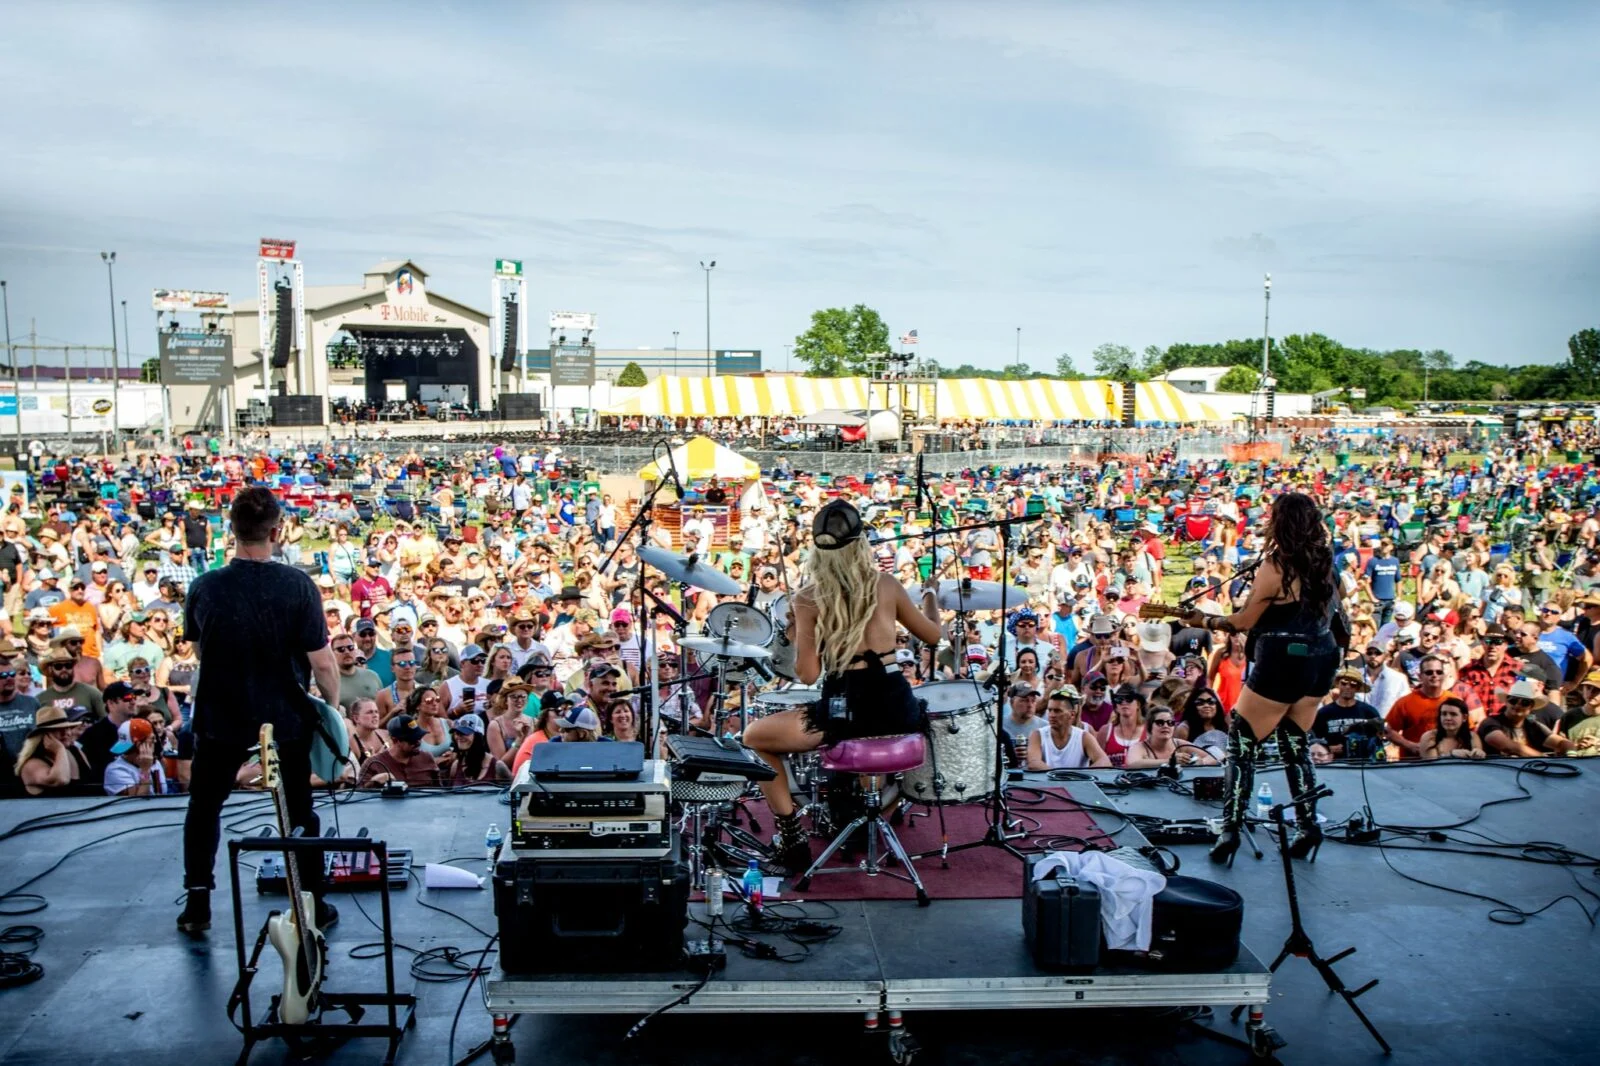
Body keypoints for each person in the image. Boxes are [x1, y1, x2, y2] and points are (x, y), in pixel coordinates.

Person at [742, 500, 942, 875]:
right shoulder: (886, 584)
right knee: (876, 734)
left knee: (754, 737)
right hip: (896, 704)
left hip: (847, 707)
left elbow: (805, 674)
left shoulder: (807, 597)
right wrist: (929, 594)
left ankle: (791, 836)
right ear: (860, 542)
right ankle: (881, 807)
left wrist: (800, 630)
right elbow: (933, 635)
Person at [178, 488, 341, 936]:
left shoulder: (204, 586)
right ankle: (312, 902)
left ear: (230, 530)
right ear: (277, 530)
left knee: (205, 807)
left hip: (219, 715)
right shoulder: (297, 585)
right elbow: (322, 662)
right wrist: (332, 709)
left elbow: (197, 646)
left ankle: (197, 902)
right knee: (299, 810)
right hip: (284, 716)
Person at [1182, 491, 1343, 865]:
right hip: (1321, 658)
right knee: (1294, 743)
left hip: (1283, 660)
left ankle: (1230, 829)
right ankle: (1307, 825)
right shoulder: (1327, 566)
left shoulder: (1276, 567)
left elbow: (1241, 623)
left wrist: (1201, 621)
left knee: (1241, 742)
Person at [1384, 652, 1454, 759]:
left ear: (1443, 675)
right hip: (1413, 763)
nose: (1434, 675)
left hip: (1446, 761)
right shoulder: (1405, 702)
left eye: (1439, 672)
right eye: (1429, 672)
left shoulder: (1454, 701)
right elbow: (1389, 730)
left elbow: (1469, 730)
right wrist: (1409, 745)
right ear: (1420, 676)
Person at [14, 706, 95, 796]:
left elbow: (92, 781)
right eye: (58, 729)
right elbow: (61, 780)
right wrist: (59, 750)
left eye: (68, 728)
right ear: (45, 735)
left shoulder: (75, 751)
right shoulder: (32, 764)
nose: (66, 733)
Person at [1026, 688, 1111, 769]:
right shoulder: (1037, 735)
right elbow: (1034, 763)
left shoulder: (1084, 737)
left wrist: (1082, 777)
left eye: (1057, 711)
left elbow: (1105, 761)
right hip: (1048, 784)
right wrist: (1060, 778)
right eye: (1050, 710)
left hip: (1076, 783)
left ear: (1072, 715)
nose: (1051, 715)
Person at [1310, 668, 1383, 762]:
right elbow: (1315, 741)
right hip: (1334, 764)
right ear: (1337, 684)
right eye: (1344, 683)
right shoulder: (1324, 713)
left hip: (1364, 763)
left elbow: (1378, 740)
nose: (1348, 687)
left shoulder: (1369, 712)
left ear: (1357, 688)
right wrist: (1329, 749)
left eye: (1353, 685)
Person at [358, 712, 442, 786]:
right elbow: (359, 795)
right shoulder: (373, 764)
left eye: (419, 737)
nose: (418, 743)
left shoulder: (427, 758)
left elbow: (440, 793)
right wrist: (374, 782)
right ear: (395, 740)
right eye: (412, 740)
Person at [1477, 679, 1553, 757]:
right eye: (1513, 701)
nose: (1517, 705)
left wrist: (1565, 748)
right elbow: (1506, 745)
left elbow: (1559, 742)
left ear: (1531, 707)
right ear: (1506, 702)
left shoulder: (1533, 725)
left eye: (1525, 703)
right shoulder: (1491, 722)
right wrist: (1542, 757)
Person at [1123, 706, 1218, 769]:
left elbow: (1214, 757)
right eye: (1160, 723)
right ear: (1150, 726)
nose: (1166, 726)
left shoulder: (1180, 744)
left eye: (1170, 723)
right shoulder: (1141, 747)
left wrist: (1199, 762)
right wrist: (1170, 761)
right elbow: (1132, 764)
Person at [103, 717, 167, 796]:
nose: (155, 741)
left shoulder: (154, 762)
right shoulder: (115, 770)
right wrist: (145, 770)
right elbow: (136, 803)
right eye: (152, 738)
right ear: (139, 744)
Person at [1419, 696, 1486, 759]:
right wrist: (1450, 754)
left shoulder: (1473, 737)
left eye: (1453, 714)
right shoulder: (1429, 737)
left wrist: (1479, 754)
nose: (1447, 718)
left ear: (1464, 717)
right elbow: (1431, 765)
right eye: (1444, 714)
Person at [1098, 685, 1147, 768]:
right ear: (1116, 707)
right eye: (1119, 700)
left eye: (1129, 699)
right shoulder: (1105, 731)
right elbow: (1097, 762)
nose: (1124, 703)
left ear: (1138, 704)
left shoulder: (1149, 731)